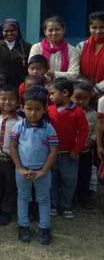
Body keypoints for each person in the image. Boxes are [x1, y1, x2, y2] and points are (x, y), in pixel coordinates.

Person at [9, 86, 59, 245]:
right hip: (22, 171)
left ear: (45, 109)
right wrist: (20, 168)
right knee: (23, 197)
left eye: (38, 109)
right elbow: (12, 147)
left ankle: (44, 228)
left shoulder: (48, 128)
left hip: (42, 172)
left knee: (43, 199)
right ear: (22, 108)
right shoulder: (18, 126)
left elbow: (53, 152)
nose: (33, 113)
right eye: (29, 108)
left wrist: (43, 171)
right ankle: (23, 226)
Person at [46, 78, 88, 219]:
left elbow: (83, 132)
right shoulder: (49, 110)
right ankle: (52, 205)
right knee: (51, 180)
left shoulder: (78, 112)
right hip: (51, 154)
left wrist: (76, 150)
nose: (50, 97)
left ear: (64, 93)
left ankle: (65, 206)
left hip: (69, 155)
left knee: (69, 181)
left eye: (53, 93)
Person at [0, 84, 20, 226]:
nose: (7, 102)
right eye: (3, 99)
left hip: (11, 160)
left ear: (18, 101)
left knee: (10, 186)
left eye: (11, 99)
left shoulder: (20, 121)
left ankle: (7, 211)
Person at [70, 81, 98, 208]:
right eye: (77, 98)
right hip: (70, 151)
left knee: (84, 175)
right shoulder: (68, 113)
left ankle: (84, 197)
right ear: (70, 96)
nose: (80, 101)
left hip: (85, 151)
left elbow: (96, 131)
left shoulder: (93, 114)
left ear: (90, 97)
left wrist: (91, 142)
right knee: (70, 176)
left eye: (85, 98)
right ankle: (70, 197)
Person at [28, 16, 80, 80]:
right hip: (40, 84)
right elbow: (33, 70)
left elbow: (74, 74)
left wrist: (55, 74)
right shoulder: (37, 48)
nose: (54, 33)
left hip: (64, 85)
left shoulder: (72, 50)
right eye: (50, 30)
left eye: (57, 30)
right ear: (45, 32)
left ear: (64, 30)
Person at [0, 18, 32, 87]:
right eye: (6, 31)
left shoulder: (27, 46)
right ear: (1, 32)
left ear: (18, 31)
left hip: (21, 83)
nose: (9, 33)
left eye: (12, 30)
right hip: (1, 84)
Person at [78, 11, 104, 94]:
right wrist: (84, 89)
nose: (98, 31)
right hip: (83, 93)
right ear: (89, 28)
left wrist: (96, 90)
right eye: (94, 28)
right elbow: (76, 71)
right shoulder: (81, 46)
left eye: (102, 27)